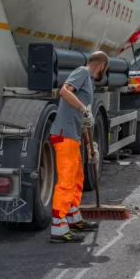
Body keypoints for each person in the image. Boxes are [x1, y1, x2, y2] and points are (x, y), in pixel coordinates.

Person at [50, 51, 109, 243]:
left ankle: (73, 216)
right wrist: (83, 108)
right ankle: (58, 227)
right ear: (102, 65)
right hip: (64, 134)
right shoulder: (83, 72)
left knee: (77, 177)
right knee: (66, 180)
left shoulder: (88, 82)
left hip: (73, 135)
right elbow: (64, 91)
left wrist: (89, 144)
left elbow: (83, 121)